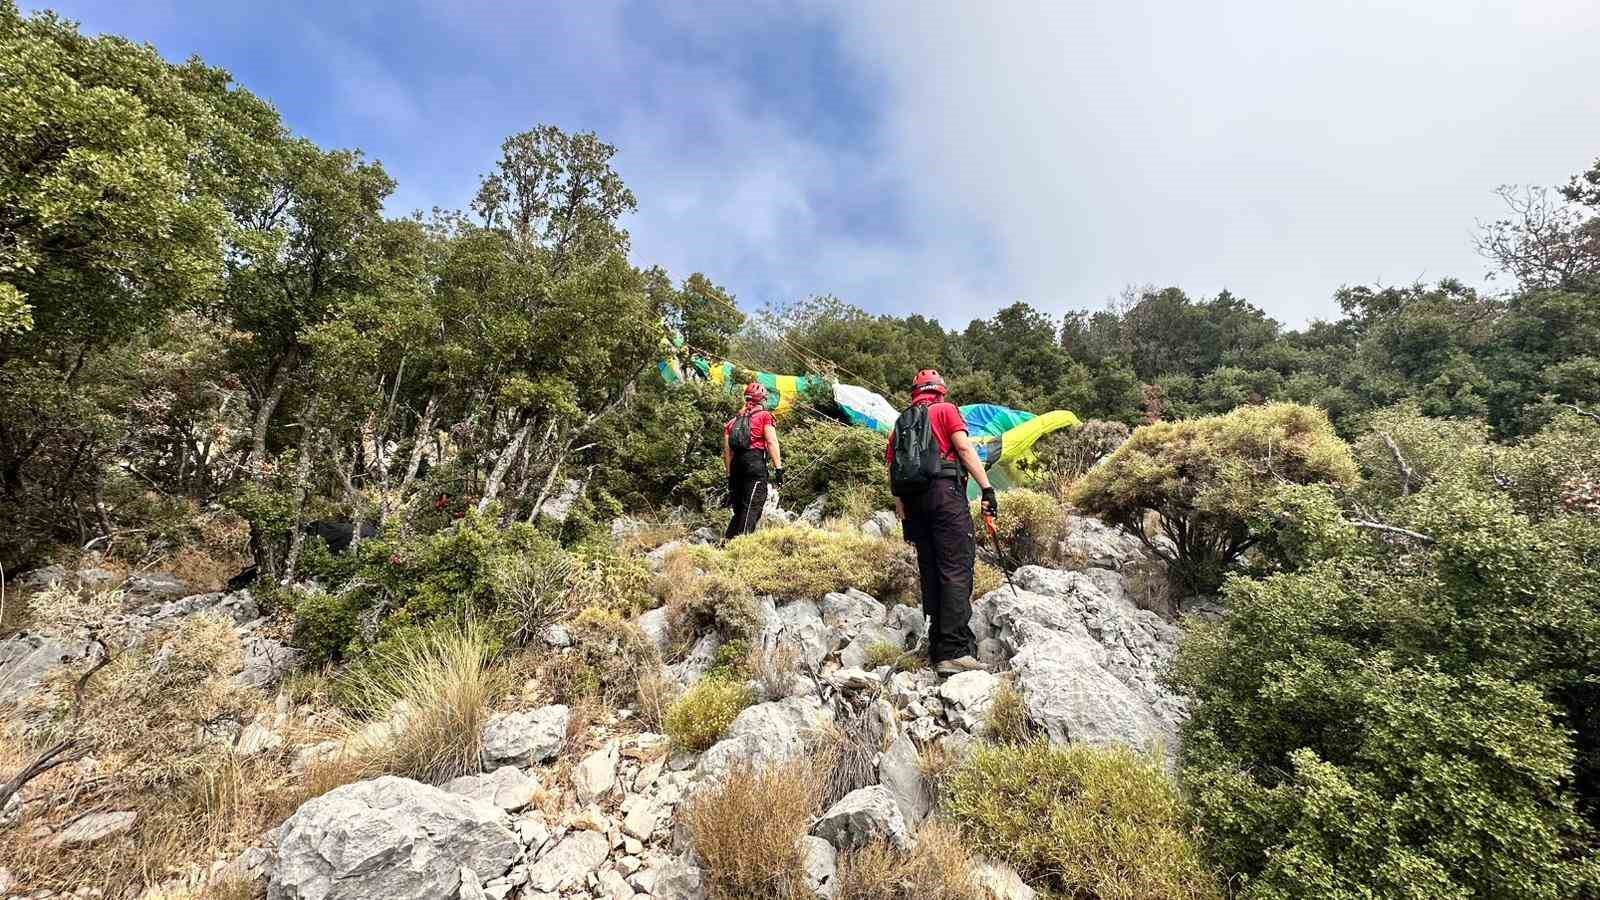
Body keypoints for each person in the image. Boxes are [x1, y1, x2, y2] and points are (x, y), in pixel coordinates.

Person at [886, 369, 997, 677]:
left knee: (931, 571)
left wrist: (902, 508)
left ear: (915, 393)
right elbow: (963, 448)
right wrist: (987, 488)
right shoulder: (946, 410)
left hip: (913, 503)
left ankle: (936, 646)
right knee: (956, 568)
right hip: (945, 496)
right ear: (940, 391)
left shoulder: (901, 422)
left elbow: (892, 468)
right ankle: (954, 651)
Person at [723, 382, 784, 540]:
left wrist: (729, 475)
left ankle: (726, 543)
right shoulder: (765, 416)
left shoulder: (731, 423)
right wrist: (778, 469)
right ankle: (741, 545)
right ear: (762, 400)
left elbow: (727, 452)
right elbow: (772, 442)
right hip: (754, 463)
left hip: (735, 467)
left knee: (740, 510)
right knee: (752, 506)